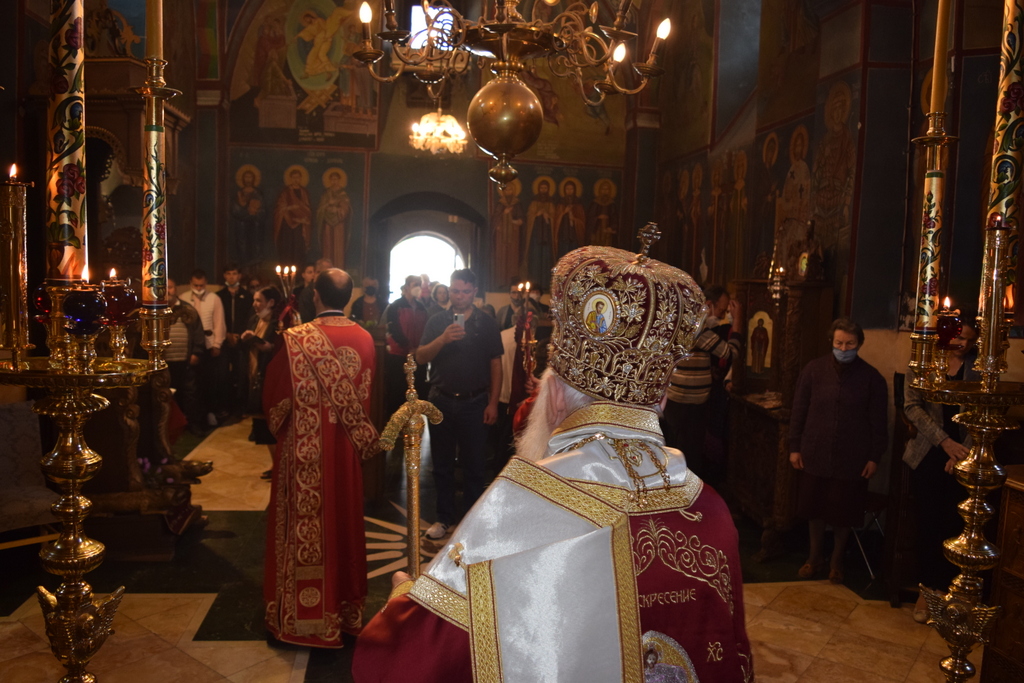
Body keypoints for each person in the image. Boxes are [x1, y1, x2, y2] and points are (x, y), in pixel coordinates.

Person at [354, 236, 752, 682]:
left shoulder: (518, 509)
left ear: (556, 397)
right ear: (661, 399)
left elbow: (413, 659)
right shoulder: (710, 510)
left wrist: (403, 600)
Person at [262, 268, 378, 648]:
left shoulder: (296, 338)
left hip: (304, 454)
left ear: (316, 295)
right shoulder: (365, 339)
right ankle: (344, 611)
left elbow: (276, 403)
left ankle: (305, 617)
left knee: (308, 529)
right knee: (343, 523)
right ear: (349, 297)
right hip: (346, 453)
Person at [789, 318, 887, 584]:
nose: (844, 348)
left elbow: (879, 423)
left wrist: (874, 457)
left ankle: (836, 560)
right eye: (839, 343)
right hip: (815, 451)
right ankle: (814, 558)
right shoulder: (813, 370)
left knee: (843, 511)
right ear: (831, 342)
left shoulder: (872, 378)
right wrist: (795, 447)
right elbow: (799, 410)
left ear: (859, 344)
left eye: (850, 344)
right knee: (814, 508)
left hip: (852, 456)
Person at [415, 269, 503, 540]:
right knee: (441, 464)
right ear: (449, 290)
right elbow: (420, 357)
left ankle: (470, 523)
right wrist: (442, 339)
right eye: (455, 291)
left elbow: (496, 364)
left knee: (474, 465)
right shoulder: (437, 320)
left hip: (474, 401)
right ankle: (443, 518)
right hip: (441, 399)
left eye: (465, 291)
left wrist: (493, 403)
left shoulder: (486, 323)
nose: (459, 296)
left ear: (474, 292)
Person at [903, 322, 978, 622]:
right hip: (930, 451)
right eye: (959, 338)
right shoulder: (924, 362)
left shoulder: (979, 368)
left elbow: (983, 411)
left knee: (954, 524)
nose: (962, 344)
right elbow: (912, 407)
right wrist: (944, 442)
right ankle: (926, 589)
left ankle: (947, 590)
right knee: (928, 522)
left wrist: (963, 451)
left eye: (969, 340)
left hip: (964, 454)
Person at [663, 284, 742, 479]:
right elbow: (730, 352)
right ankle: (686, 491)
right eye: (722, 311)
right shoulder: (695, 328)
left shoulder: (678, 321)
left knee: (674, 449)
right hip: (691, 402)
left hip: (675, 398)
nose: (723, 316)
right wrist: (738, 323)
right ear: (708, 305)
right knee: (690, 454)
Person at [178, 269, 227, 428]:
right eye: (195, 285)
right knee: (192, 383)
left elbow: (219, 323)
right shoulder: (184, 298)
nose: (198, 288)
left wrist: (217, 344)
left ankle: (210, 413)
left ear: (206, 283)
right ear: (190, 283)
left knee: (210, 381)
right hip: (190, 345)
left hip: (208, 343)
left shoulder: (214, 299)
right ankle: (192, 416)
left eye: (201, 285)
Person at [241, 286, 282, 473]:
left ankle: (279, 466)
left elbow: (277, 348)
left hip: (269, 378)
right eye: (255, 300)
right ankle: (275, 464)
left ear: (271, 303)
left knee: (269, 425)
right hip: (254, 373)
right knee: (261, 425)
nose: (255, 304)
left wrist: (261, 343)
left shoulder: (278, 324)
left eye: (259, 301)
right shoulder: (254, 320)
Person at [382, 275, 429, 415]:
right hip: (399, 355)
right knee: (397, 390)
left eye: (419, 284)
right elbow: (394, 329)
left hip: (417, 355)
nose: (418, 288)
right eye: (415, 284)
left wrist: (419, 348)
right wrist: (408, 346)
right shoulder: (396, 306)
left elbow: (425, 329)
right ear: (407, 287)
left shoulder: (421, 307)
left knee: (417, 389)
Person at [164, 277, 205, 434]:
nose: (167, 291)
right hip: (164, 361)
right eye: (164, 287)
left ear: (176, 289)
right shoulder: (155, 310)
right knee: (167, 394)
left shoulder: (187, 309)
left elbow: (198, 331)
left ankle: (193, 424)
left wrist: (196, 352)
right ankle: (170, 426)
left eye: (170, 287)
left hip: (185, 360)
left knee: (190, 393)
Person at [217, 263, 254, 419]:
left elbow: (250, 318)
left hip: (241, 340)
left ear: (239, 276)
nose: (231, 277)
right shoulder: (219, 296)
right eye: (228, 273)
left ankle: (241, 407)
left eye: (234, 273)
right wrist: (226, 334)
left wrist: (240, 334)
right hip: (224, 340)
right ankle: (225, 406)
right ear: (224, 275)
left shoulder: (248, 296)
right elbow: (217, 318)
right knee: (223, 374)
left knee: (241, 373)